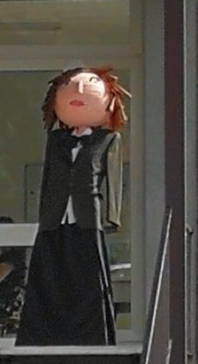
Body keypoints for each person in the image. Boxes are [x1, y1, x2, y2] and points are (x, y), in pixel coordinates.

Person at [15, 67, 129, 347]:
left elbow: (114, 180)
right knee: (49, 276)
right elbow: (48, 177)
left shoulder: (108, 140)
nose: (78, 92)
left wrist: (111, 217)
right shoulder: (56, 140)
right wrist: (44, 214)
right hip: (55, 218)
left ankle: (93, 337)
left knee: (89, 278)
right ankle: (41, 337)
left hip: (88, 217)